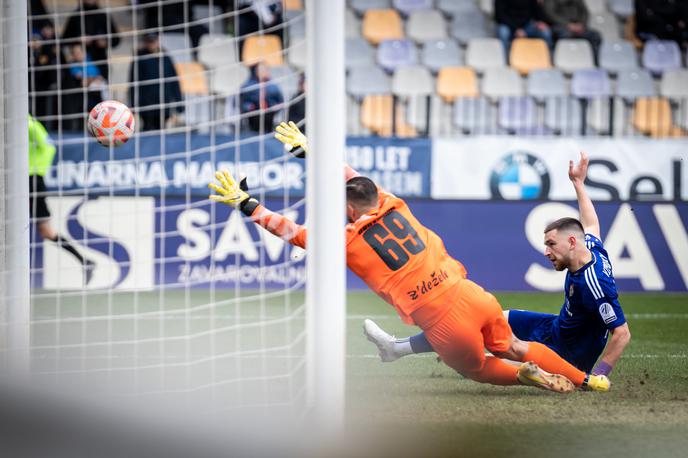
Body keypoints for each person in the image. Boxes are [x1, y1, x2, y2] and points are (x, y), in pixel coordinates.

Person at [208, 122, 611, 393]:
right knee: (518, 344)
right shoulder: (392, 202)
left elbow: (293, 233)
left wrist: (247, 204)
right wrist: (310, 152)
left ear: (349, 210)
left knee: (473, 368)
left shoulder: (345, 240)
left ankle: (523, 377)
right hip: (472, 295)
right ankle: (586, 381)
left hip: (442, 321)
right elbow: (353, 179)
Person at [364, 152, 631, 380]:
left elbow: (621, 333)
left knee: (481, 351)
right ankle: (396, 348)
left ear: (572, 242)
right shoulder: (591, 247)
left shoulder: (595, 283)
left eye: (551, 244)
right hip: (556, 328)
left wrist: (599, 375)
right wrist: (578, 183)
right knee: (488, 318)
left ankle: (415, 351)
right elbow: (592, 224)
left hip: (566, 355)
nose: (546, 251)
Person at [29, 115, 95, 284]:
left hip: (31, 181)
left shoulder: (27, 122)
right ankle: (85, 261)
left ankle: (85, 261)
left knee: (46, 231)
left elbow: (49, 147)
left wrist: (36, 169)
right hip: (20, 180)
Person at [129, 33, 184, 131]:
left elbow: (174, 81)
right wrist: (133, 104)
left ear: (158, 41)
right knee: (147, 130)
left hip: (163, 103)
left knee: (161, 130)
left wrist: (179, 103)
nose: (151, 44)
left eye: (153, 41)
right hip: (146, 105)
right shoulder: (139, 58)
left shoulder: (166, 58)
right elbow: (133, 83)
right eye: (149, 41)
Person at [61, 0, 120, 80]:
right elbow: (64, 39)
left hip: (99, 61)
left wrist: (105, 42)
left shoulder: (102, 16)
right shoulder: (76, 17)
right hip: (79, 64)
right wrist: (79, 39)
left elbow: (116, 39)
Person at [239, 62, 284, 133]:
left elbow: (280, 101)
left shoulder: (273, 86)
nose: (264, 72)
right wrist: (249, 107)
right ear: (256, 71)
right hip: (254, 113)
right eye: (261, 70)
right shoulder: (249, 86)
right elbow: (242, 102)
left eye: (265, 70)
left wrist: (276, 107)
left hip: (269, 112)